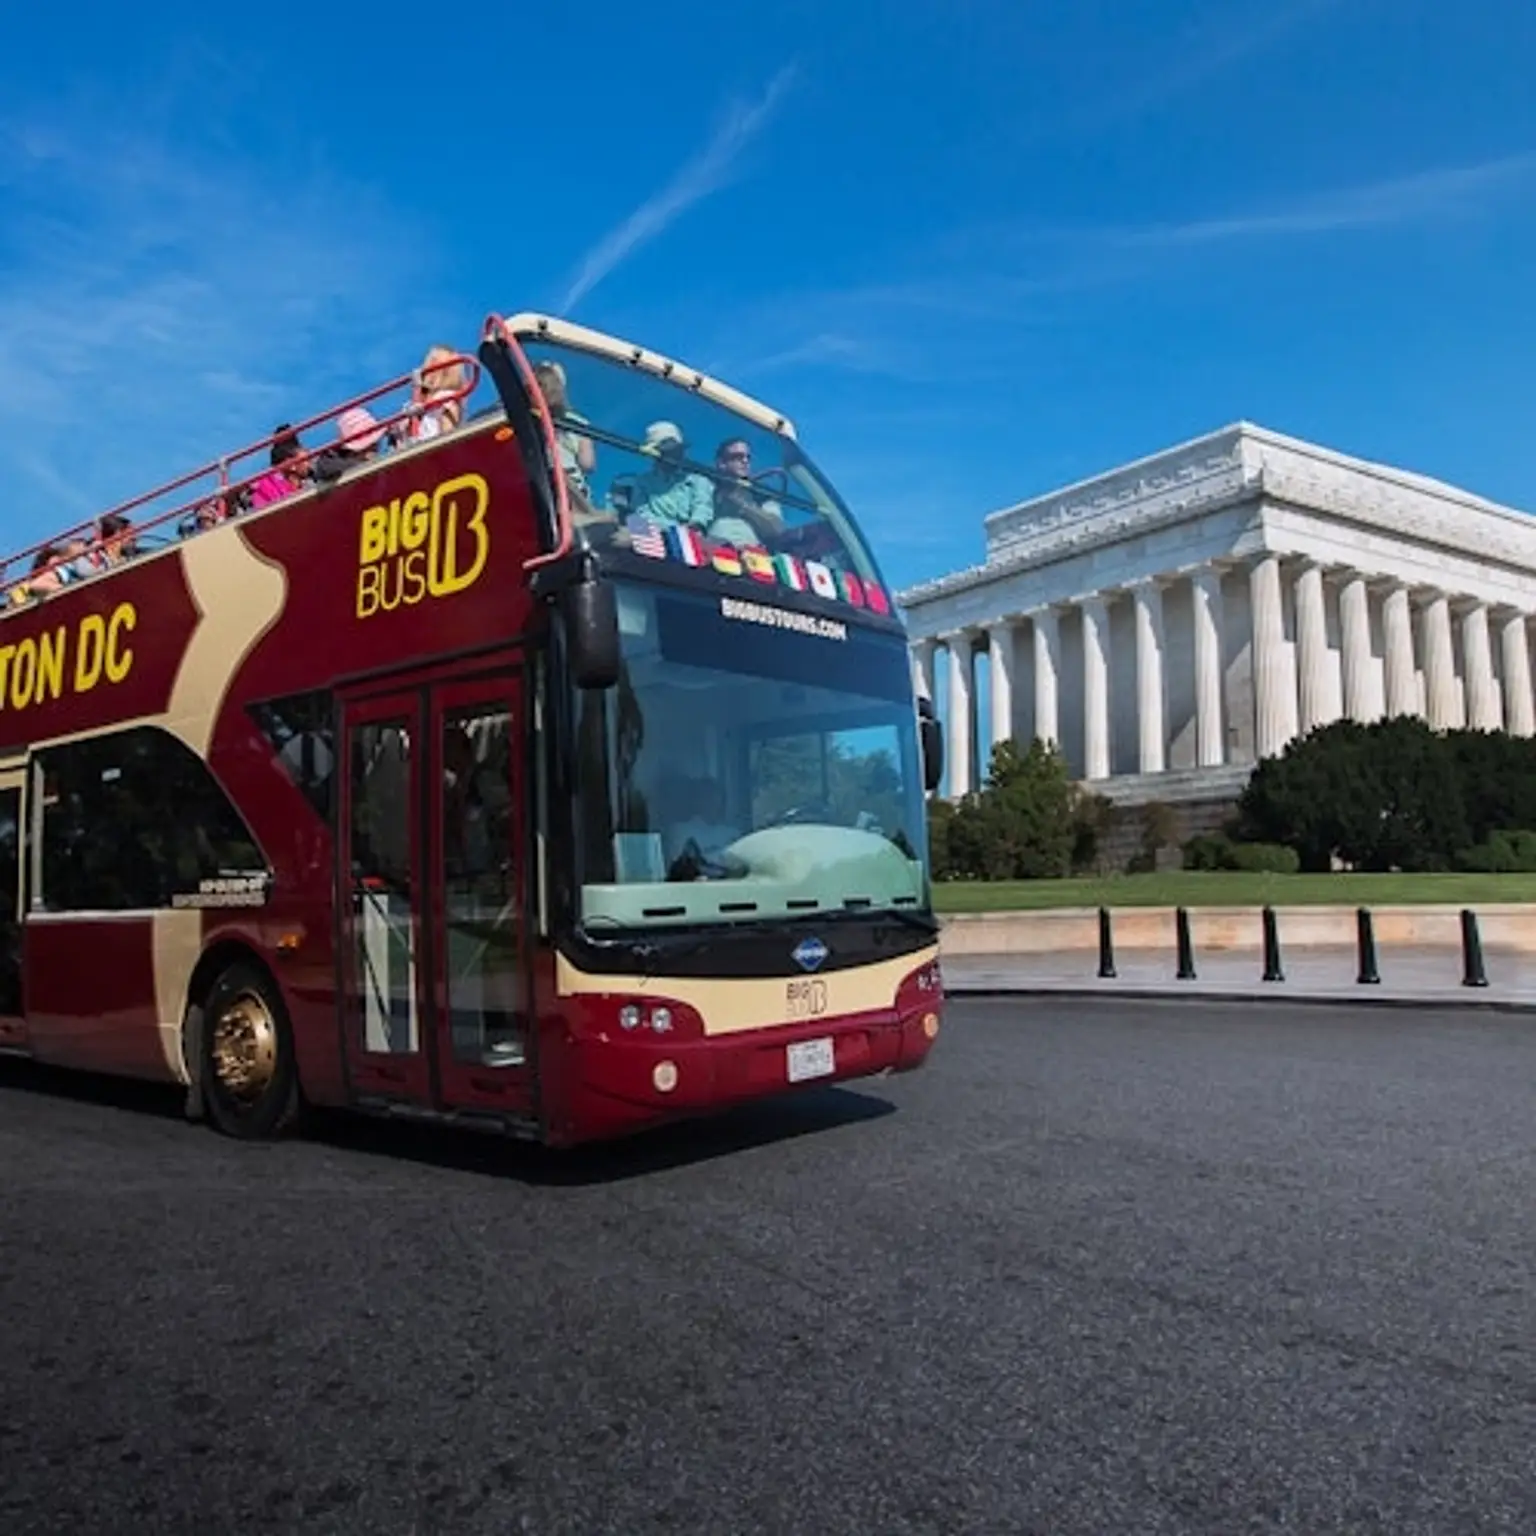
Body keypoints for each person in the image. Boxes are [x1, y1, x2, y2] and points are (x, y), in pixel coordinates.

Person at [628, 422, 714, 530]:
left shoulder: (699, 481)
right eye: (667, 451)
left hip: (694, 540)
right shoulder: (642, 482)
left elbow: (703, 509)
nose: (675, 455)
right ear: (655, 455)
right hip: (657, 539)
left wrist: (694, 526)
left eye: (677, 450)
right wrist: (676, 530)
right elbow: (641, 515)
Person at [709, 436, 785, 547]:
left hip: (752, 558)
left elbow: (776, 529)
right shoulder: (706, 487)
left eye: (747, 458)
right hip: (707, 554)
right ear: (721, 463)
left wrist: (743, 507)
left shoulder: (762, 494)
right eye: (737, 457)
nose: (745, 461)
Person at [409, 346, 469, 441]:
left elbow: (448, 432)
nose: (424, 368)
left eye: (430, 363)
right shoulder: (433, 399)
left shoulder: (446, 397)